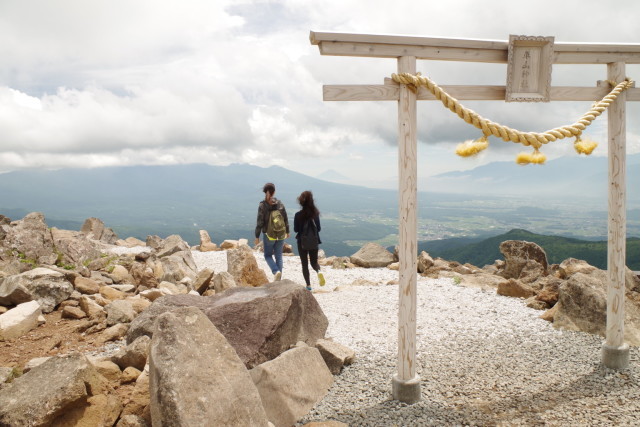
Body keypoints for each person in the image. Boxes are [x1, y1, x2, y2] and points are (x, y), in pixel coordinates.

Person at [255, 182, 289, 281]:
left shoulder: (262, 205)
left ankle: (275, 271)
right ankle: (279, 280)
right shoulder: (280, 203)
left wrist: (257, 236)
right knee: (279, 256)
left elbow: (259, 222)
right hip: (281, 234)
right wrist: (287, 230)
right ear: (274, 192)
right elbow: (285, 218)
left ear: (265, 192)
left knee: (267, 255)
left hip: (269, 235)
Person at [294, 190, 325, 291]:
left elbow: (296, 230)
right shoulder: (315, 214)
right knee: (314, 262)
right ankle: (318, 271)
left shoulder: (298, 215)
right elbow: (319, 229)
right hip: (314, 241)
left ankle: (308, 286)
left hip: (302, 242)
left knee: (304, 264)